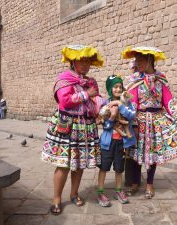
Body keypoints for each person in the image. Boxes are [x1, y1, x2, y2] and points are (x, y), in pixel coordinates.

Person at [122, 46, 177, 199]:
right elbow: (132, 102)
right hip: (140, 120)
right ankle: (135, 183)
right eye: (137, 60)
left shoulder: (161, 79)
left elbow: (168, 99)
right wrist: (132, 123)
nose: (139, 63)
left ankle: (149, 184)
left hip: (156, 120)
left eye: (142, 60)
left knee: (152, 154)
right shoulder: (134, 79)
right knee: (136, 154)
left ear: (150, 60)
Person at [41, 45, 103, 215]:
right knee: (63, 164)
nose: (85, 64)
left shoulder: (91, 81)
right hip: (67, 126)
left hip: (86, 126)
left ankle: (74, 193)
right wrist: (86, 94)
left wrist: (104, 106)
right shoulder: (65, 78)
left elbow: (96, 99)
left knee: (79, 163)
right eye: (81, 61)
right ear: (73, 61)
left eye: (88, 61)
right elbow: (65, 101)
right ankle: (56, 198)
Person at [96, 75, 136, 207]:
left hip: (122, 142)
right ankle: (100, 191)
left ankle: (118, 190)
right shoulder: (105, 104)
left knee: (119, 168)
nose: (118, 89)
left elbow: (131, 116)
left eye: (120, 86)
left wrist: (120, 104)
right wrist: (112, 117)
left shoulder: (126, 102)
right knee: (104, 167)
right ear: (110, 88)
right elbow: (104, 124)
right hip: (107, 142)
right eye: (115, 87)